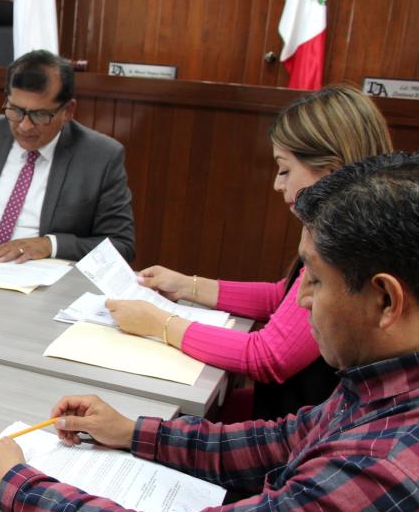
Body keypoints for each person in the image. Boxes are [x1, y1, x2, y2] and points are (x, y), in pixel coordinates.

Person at [0, 151, 419, 512]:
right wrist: (134, 432)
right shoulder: (384, 383)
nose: (301, 298)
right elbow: (282, 441)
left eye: (316, 279)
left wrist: (15, 484)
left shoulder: (384, 474)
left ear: (384, 300)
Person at [106, 84, 394, 421]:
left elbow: (268, 356)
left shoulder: (347, 250)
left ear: (330, 171)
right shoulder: (358, 227)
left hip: (298, 421)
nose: (277, 184)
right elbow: (283, 295)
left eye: (285, 169)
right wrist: (188, 286)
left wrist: (160, 323)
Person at [0, 50, 135, 263]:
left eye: (40, 115)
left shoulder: (100, 156)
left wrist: (51, 245)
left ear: (67, 111)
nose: (25, 126)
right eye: (16, 110)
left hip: (41, 277)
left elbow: (121, 245)